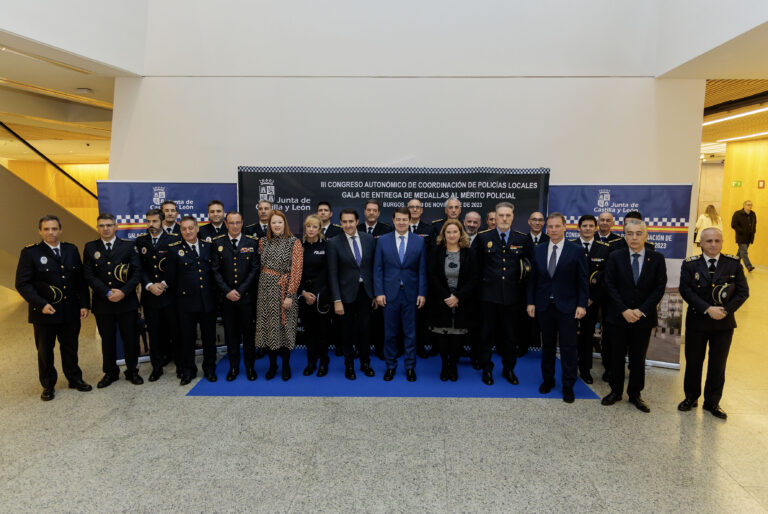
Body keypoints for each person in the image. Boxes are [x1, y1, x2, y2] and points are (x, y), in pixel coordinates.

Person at [15, 215, 92, 401]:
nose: (51, 232)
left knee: (70, 347)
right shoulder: (30, 253)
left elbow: (80, 281)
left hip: (70, 311)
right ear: (40, 231)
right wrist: (40, 304)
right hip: (44, 313)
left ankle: (74, 378)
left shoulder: (71, 249)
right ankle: (48, 385)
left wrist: (84, 304)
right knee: (44, 351)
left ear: (60, 230)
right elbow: (22, 284)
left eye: (54, 229)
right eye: (47, 229)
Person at [678, 228, 749, 420]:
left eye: (717, 241)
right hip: (697, 322)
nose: (713, 244)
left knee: (718, 365)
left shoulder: (733, 264)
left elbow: (743, 293)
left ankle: (712, 402)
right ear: (701, 243)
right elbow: (685, 290)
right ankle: (691, 397)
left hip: (723, 325)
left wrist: (725, 310)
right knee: (693, 362)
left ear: (722, 242)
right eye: (709, 241)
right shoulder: (690, 264)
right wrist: (707, 309)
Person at [601, 218, 666, 412]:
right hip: (618, 317)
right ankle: (615, 391)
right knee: (616, 357)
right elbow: (609, 285)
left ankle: (635, 394)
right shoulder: (615, 256)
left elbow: (659, 288)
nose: (634, 237)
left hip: (642, 319)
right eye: (630, 233)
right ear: (625, 236)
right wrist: (624, 310)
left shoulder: (656, 259)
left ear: (646, 236)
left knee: (638, 359)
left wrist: (640, 311)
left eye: (639, 233)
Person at [527, 213, 588, 403]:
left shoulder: (576, 250)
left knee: (569, 347)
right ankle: (548, 380)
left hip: (568, 307)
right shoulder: (539, 249)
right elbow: (532, 280)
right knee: (547, 346)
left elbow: (583, 281)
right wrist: (530, 302)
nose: (553, 230)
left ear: (565, 227)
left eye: (556, 226)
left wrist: (581, 304)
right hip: (544, 306)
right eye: (550, 227)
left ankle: (568, 385)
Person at [474, 202, 532, 385]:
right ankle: (487, 369)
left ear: (513, 217)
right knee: (486, 335)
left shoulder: (522, 239)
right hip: (487, 297)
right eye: (501, 215)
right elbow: (475, 270)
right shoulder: (483, 238)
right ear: (495, 217)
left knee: (509, 336)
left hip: (512, 298)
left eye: (508, 215)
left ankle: (509, 369)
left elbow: (530, 270)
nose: (504, 219)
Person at [83, 213, 143, 388]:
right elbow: (88, 275)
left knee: (130, 339)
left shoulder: (128, 246)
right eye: (101, 225)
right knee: (107, 340)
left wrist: (123, 292)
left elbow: (137, 272)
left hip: (127, 302)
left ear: (116, 227)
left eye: (109, 225)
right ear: (97, 227)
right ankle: (110, 373)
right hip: (103, 303)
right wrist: (107, 292)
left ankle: (132, 371)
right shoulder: (90, 247)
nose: (106, 228)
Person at [374, 206, 427, 382]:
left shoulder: (419, 241)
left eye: (405, 219)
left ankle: (410, 367)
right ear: (394, 220)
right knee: (390, 334)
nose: (402, 222)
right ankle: (390, 366)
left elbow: (422, 271)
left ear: (410, 220)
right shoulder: (383, 240)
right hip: (389, 295)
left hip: (411, 295)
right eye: (399, 219)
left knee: (410, 333)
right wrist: (379, 292)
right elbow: (378, 269)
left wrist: (422, 292)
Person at [165, 215, 219, 385]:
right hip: (185, 303)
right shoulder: (174, 249)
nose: (188, 231)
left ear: (197, 228)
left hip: (207, 301)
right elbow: (171, 278)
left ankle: (209, 369)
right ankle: (188, 371)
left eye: (191, 228)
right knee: (187, 339)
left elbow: (213, 273)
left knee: (209, 338)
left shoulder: (208, 246)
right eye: (184, 229)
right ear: (180, 231)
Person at [327, 208, 377, 380]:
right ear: (340, 223)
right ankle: (349, 365)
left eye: (351, 221)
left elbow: (373, 269)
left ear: (357, 221)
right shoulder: (333, 242)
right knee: (346, 332)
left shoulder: (369, 239)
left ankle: (365, 363)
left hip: (366, 293)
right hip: (345, 295)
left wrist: (376, 294)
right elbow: (332, 274)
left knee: (365, 330)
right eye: (344, 222)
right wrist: (337, 299)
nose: (348, 225)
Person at [211, 211, 260, 381]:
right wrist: (227, 291)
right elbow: (215, 271)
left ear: (242, 223)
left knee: (248, 335)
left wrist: (241, 290)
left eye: (238, 222)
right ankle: (233, 368)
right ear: (226, 224)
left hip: (246, 299)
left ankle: (250, 368)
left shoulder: (252, 242)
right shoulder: (217, 243)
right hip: (227, 299)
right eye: (231, 223)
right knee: (231, 336)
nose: (235, 226)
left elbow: (255, 269)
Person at [255, 210, 303, 381]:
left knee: (285, 329)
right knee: (269, 329)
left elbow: (296, 272)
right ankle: (273, 364)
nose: (276, 225)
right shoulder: (263, 242)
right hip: (265, 291)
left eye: (280, 222)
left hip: (284, 291)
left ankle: (285, 365)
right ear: (269, 225)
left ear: (285, 224)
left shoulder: (294, 243)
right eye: (273, 223)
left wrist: (290, 294)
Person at [427, 219, 477, 381]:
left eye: (455, 231)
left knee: (457, 336)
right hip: (441, 300)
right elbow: (432, 276)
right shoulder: (436, 251)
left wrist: (458, 297)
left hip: (462, 301)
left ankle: (453, 365)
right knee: (442, 334)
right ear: (444, 234)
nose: (452, 235)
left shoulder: (469, 252)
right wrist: (446, 296)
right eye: (448, 232)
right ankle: (444, 365)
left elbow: (473, 278)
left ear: (460, 233)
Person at [135, 208, 181, 381]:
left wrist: (162, 284)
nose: (151, 225)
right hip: (150, 296)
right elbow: (139, 267)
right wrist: (148, 285)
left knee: (175, 332)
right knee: (154, 334)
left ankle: (180, 365)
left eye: (154, 221)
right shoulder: (141, 241)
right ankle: (157, 367)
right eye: (148, 221)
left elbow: (176, 267)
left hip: (169, 295)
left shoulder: (174, 240)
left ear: (162, 222)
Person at [569, 214, 611, 384]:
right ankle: (570, 368)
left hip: (592, 303)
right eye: (584, 226)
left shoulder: (604, 248)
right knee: (570, 337)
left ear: (596, 228)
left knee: (587, 337)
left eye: (590, 226)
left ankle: (585, 370)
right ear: (578, 228)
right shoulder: (569, 246)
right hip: (571, 301)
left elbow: (606, 278)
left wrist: (592, 298)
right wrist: (576, 299)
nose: (587, 229)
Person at [299, 214, 331, 377]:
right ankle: (311, 362)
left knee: (322, 333)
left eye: (314, 227)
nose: (311, 230)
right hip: (304, 296)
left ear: (320, 229)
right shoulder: (299, 246)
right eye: (308, 226)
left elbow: (328, 273)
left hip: (321, 296)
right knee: (309, 333)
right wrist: (304, 292)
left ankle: (324, 362)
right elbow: (295, 273)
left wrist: (316, 294)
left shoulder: (326, 246)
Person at [731, 200, 756, 271]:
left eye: (751, 205)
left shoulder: (753, 214)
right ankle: (749, 266)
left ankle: (733, 265)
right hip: (741, 236)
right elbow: (733, 224)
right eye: (748, 205)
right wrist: (741, 231)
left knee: (740, 252)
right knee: (744, 252)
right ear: (744, 206)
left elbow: (754, 224)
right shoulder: (738, 213)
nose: (750, 206)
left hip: (749, 237)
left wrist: (753, 231)